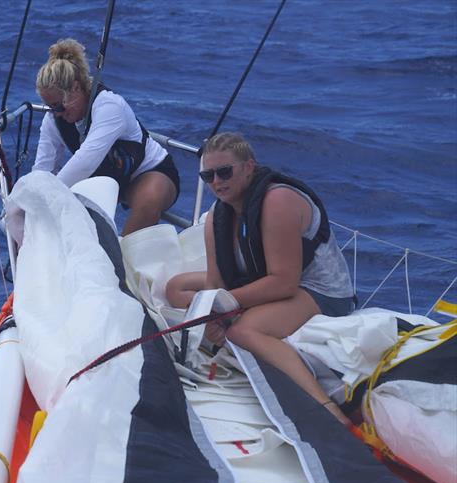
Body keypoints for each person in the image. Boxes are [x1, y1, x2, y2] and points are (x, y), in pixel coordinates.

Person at [166, 132, 355, 424]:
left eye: (224, 172)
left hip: (317, 290)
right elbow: (217, 283)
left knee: (242, 331)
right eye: (208, 176)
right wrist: (211, 316)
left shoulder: (278, 201)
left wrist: (224, 307)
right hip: (261, 279)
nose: (216, 182)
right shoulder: (217, 215)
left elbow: (284, 282)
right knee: (176, 288)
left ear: (249, 167)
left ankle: (328, 410)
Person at [32, 38, 180, 236]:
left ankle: (124, 261)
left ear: (76, 88)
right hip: (108, 181)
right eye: (51, 108)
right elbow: (42, 170)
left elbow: (85, 161)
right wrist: (29, 204)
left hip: (149, 173)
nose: (56, 113)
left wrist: (49, 198)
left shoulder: (109, 107)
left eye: (58, 106)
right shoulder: (54, 120)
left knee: (149, 199)